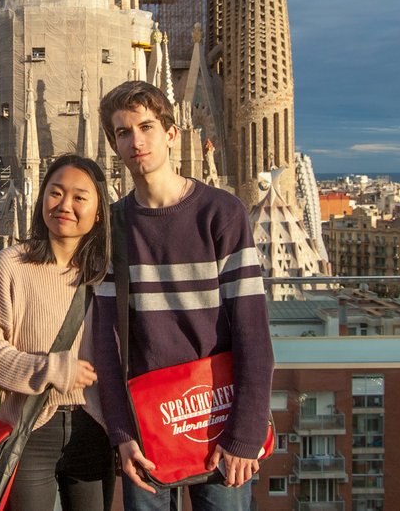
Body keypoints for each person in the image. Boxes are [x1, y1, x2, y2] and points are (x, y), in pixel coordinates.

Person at [92, 81, 274, 511]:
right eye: (122, 132)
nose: (136, 141)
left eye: (146, 127)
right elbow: (106, 345)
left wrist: (245, 435)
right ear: (114, 145)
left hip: (216, 420)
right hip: (148, 429)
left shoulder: (221, 212)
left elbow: (252, 331)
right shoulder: (112, 227)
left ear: (172, 134)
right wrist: (122, 433)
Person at [0, 154, 116, 511]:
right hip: (29, 427)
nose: (65, 205)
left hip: (95, 426)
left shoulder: (109, 275)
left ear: (99, 211)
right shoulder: (11, 264)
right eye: (55, 193)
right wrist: (51, 369)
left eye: (80, 197)